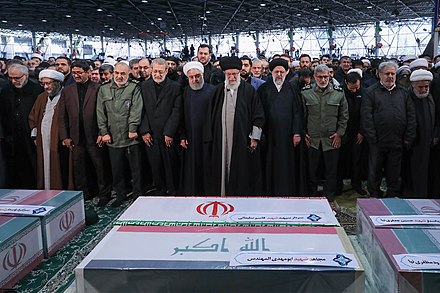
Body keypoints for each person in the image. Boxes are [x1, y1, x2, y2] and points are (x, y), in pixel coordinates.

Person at [204, 56, 265, 196]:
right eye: (229, 74)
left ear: (239, 73)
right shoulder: (217, 91)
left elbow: (259, 115)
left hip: (243, 140)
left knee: (241, 171)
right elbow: (209, 117)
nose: (232, 77)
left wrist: (254, 138)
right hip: (221, 141)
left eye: (235, 74)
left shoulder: (249, 91)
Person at [58, 60, 112, 206]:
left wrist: (103, 132)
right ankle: (84, 194)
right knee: (79, 168)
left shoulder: (98, 88)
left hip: (95, 136)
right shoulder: (67, 90)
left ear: (88, 72)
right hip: (76, 136)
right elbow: (62, 116)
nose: (76, 75)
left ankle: (104, 194)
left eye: (79, 73)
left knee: (100, 167)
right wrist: (65, 137)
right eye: (74, 73)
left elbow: (105, 113)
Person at [361, 61, 416, 197]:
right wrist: (373, 138)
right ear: (380, 75)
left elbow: (411, 116)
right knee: (375, 172)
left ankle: (392, 196)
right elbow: (366, 117)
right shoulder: (370, 92)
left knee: (394, 172)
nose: (390, 76)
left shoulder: (403, 93)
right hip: (378, 142)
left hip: (398, 141)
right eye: (387, 74)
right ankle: (375, 194)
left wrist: (408, 138)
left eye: (392, 73)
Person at [97, 62, 144, 207]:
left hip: (131, 137)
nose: (119, 76)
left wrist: (133, 128)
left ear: (128, 73)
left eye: (123, 73)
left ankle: (138, 195)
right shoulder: (104, 89)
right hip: (112, 137)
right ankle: (120, 195)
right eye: (117, 73)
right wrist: (104, 132)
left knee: (136, 170)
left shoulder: (134, 88)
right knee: (117, 170)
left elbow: (136, 109)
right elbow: (100, 112)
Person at [258, 58, 305, 195]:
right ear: (271, 72)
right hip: (269, 135)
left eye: (282, 72)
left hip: (288, 136)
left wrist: (296, 132)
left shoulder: (292, 88)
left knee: (287, 165)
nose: (279, 74)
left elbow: (297, 112)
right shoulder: (263, 89)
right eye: (276, 71)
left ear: (287, 72)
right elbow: (259, 112)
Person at [302, 64, 349, 201]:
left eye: (326, 77)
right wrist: (304, 132)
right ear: (314, 77)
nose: (323, 80)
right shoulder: (305, 92)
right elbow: (302, 115)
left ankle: (329, 195)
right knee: (312, 169)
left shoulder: (338, 92)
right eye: (320, 77)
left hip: (332, 138)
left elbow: (344, 115)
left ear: (330, 76)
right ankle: (312, 193)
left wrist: (340, 133)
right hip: (313, 139)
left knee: (331, 169)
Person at [139, 58, 182, 195]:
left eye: (160, 71)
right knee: (155, 164)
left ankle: (173, 190)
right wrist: (144, 131)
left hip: (168, 134)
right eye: (155, 71)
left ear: (166, 71)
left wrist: (169, 132)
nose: (157, 74)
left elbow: (177, 111)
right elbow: (141, 110)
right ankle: (160, 190)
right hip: (151, 134)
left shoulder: (175, 87)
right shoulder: (144, 86)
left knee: (171, 164)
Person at [0, 63, 43, 188]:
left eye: (17, 78)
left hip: (30, 137)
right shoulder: (6, 91)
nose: (14, 81)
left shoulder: (37, 90)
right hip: (12, 137)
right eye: (11, 78)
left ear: (26, 75)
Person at [29, 69, 72, 190]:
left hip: (60, 139)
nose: (46, 87)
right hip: (43, 138)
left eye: (49, 83)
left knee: (59, 166)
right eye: (43, 84)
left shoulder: (66, 95)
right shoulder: (41, 97)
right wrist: (34, 135)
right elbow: (33, 117)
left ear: (58, 83)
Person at [402, 70, 438, 198]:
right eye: (420, 87)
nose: (423, 90)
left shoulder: (430, 97)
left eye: (426, 87)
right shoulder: (407, 97)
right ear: (413, 85)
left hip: (428, 143)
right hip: (412, 143)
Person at [180, 61, 214, 195]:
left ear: (203, 75)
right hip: (191, 138)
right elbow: (181, 115)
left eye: (197, 76)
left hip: (208, 137)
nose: (195, 79)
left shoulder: (213, 90)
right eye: (192, 77)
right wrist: (182, 135)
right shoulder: (185, 92)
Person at [337, 71, 368, 195]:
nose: (354, 91)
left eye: (357, 88)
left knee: (357, 161)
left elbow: (365, 113)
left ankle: (357, 185)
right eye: (352, 88)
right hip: (342, 131)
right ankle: (338, 187)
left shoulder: (365, 92)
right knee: (340, 161)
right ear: (346, 83)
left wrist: (361, 131)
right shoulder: (339, 92)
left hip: (357, 132)